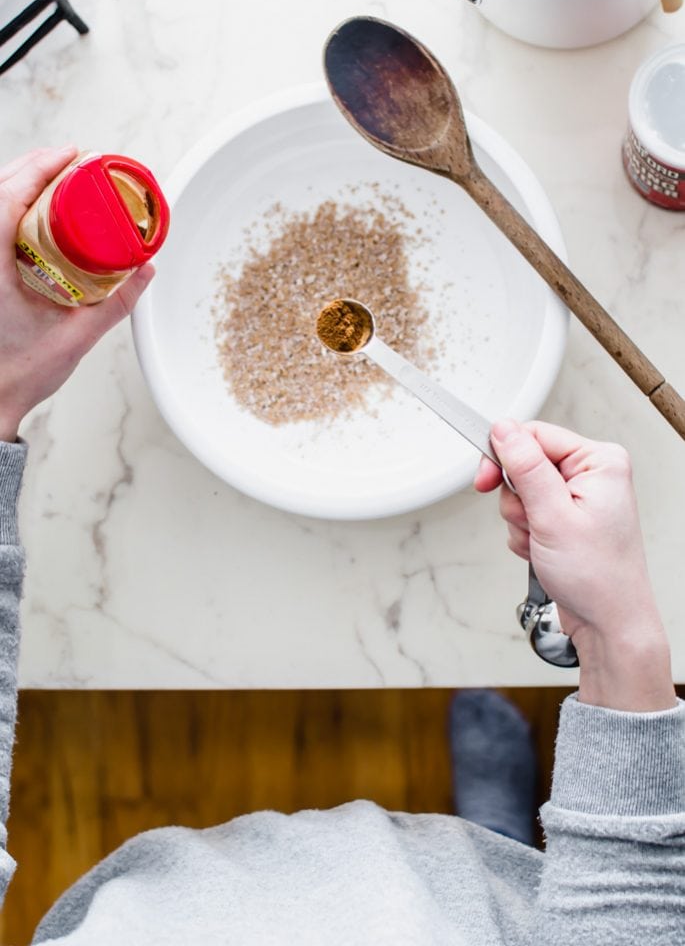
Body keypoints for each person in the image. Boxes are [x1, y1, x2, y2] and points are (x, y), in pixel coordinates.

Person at [0, 148, 683, 945]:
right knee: (508, 878)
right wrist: (619, 641)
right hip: (493, 914)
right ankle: (502, 836)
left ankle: (499, 839)